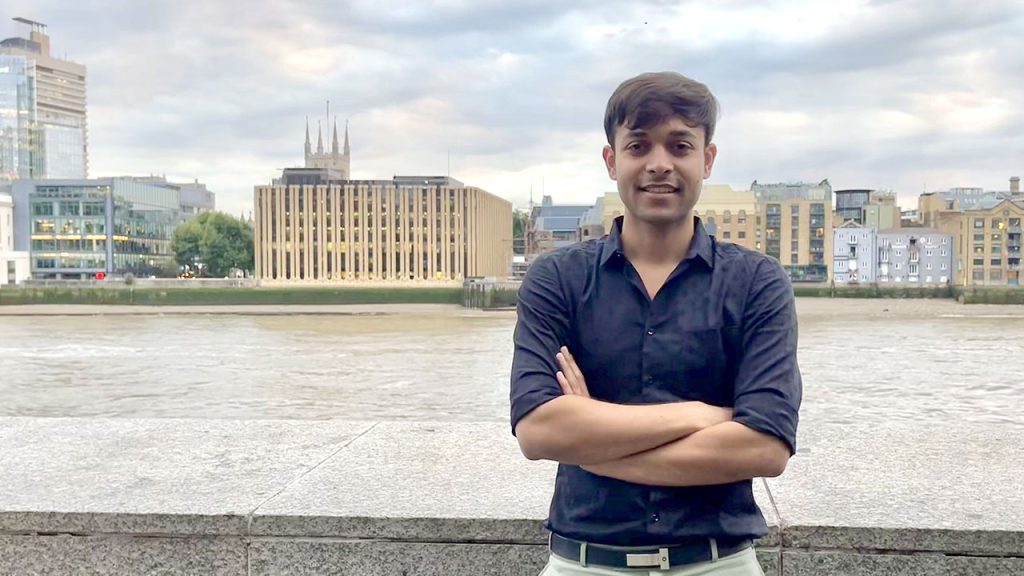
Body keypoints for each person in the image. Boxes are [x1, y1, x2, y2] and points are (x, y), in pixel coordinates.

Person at [510, 72, 802, 576]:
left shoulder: (757, 282)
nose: (659, 164)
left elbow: (764, 446)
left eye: (680, 145)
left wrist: (592, 440)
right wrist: (703, 414)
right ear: (612, 160)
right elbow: (539, 431)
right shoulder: (557, 279)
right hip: (584, 563)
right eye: (639, 145)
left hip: (718, 564)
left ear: (706, 159)